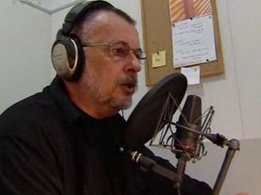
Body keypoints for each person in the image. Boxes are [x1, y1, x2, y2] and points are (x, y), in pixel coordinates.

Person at [0, 1, 213, 195]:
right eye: (119, 51)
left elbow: (167, 181)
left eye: (137, 55)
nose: (137, 66)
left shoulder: (117, 129)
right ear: (71, 57)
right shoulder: (21, 132)